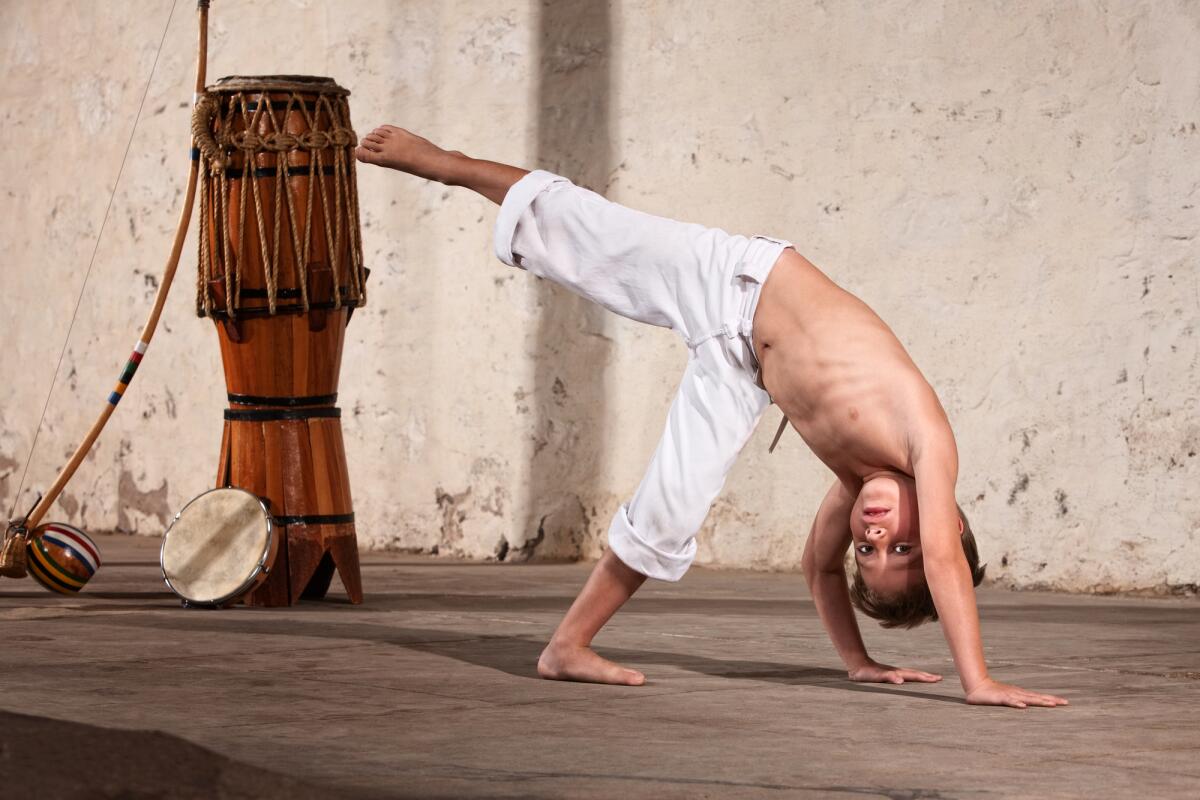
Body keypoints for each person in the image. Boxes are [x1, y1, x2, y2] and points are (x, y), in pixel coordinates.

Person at [355, 125, 1068, 708]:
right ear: (950, 525)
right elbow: (943, 561)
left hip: (740, 370)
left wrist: (858, 662)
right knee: (591, 233)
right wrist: (977, 680)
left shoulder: (855, 490)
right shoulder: (929, 445)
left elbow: (818, 568)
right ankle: (447, 163)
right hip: (739, 280)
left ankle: (566, 646)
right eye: (901, 547)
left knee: (671, 511)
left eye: (871, 553)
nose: (875, 537)